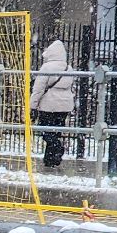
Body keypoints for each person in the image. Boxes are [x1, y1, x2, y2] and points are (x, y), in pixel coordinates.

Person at [29, 37, 75, 170]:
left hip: (49, 104)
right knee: (56, 131)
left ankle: (56, 149)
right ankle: (51, 159)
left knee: (46, 131)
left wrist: (32, 105)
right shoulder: (68, 68)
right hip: (65, 104)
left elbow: (38, 89)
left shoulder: (47, 67)